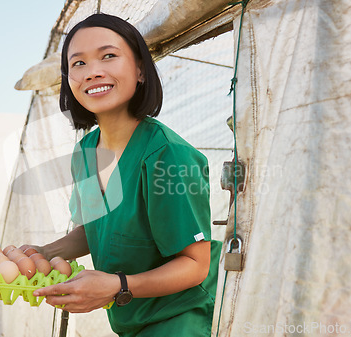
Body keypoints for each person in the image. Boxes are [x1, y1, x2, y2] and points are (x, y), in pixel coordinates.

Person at [30, 13, 222, 337]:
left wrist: (118, 286)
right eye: (78, 64)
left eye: (108, 56)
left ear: (140, 70)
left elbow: (195, 265)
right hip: (129, 319)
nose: (93, 72)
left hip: (181, 319)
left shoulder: (167, 157)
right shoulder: (87, 152)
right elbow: (95, 228)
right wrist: (45, 253)